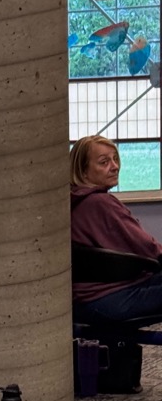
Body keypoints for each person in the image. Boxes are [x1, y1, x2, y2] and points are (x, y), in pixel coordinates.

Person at [70, 133, 162, 321]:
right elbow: (147, 248)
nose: (115, 167)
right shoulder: (101, 203)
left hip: (84, 300)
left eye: (115, 159)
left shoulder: (73, 201)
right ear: (83, 171)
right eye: (104, 162)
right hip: (112, 297)